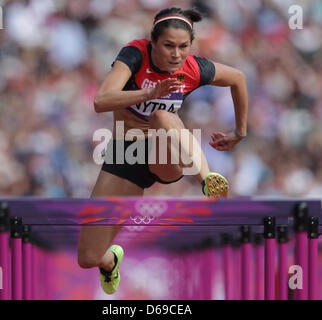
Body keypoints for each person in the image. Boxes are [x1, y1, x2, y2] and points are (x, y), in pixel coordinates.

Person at [77, 7, 248, 295]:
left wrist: (240, 132)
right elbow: (101, 100)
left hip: (164, 155)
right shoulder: (134, 54)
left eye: (183, 47)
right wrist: (149, 93)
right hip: (125, 154)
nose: (176, 54)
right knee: (88, 257)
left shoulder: (193, 68)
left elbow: (238, 79)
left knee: (161, 118)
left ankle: (208, 179)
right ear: (153, 42)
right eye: (168, 45)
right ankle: (111, 261)